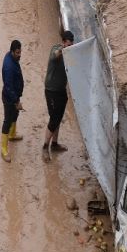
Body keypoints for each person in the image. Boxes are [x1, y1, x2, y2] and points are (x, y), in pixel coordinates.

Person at [42, 32, 74, 160]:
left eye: (72, 44)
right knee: (54, 119)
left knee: (58, 118)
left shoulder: (70, 54)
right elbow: (55, 55)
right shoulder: (55, 49)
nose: (70, 46)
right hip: (51, 91)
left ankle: (54, 144)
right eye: (68, 44)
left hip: (61, 90)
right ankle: (45, 147)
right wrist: (63, 50)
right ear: (63, 42)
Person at [0, 39, 24, 162]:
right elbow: (8, 87)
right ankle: (4, 149)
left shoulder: (12, 57)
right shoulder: (9, 67)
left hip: (15, 95)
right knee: (7, 121)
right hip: (10, 99)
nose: (19, 55)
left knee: (15, 115)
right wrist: (16, 101)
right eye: (17, 53)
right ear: (12, 51)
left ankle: (12, 135)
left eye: (20, 52)